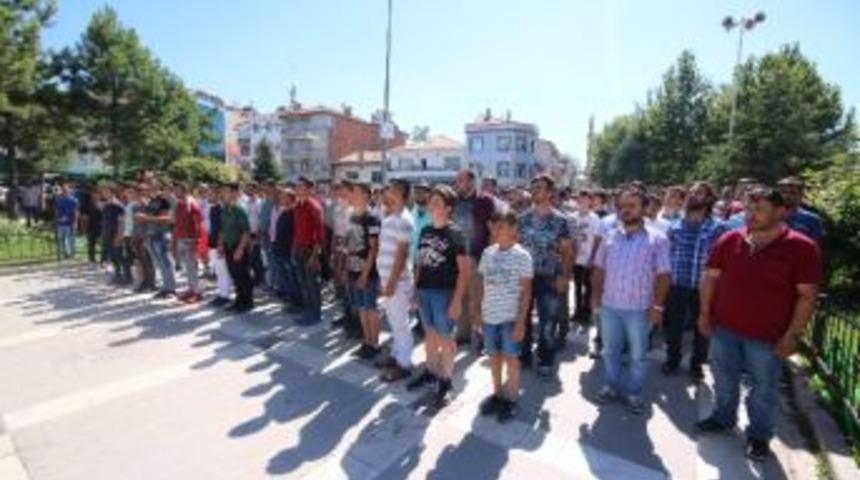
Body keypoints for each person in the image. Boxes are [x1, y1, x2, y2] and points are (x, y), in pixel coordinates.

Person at [695, 187, 822, 462]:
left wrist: (793, 335)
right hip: (725, 328)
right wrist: (704, 314)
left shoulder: (801, 247)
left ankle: (759, 435)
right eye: (748, 209)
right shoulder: (729, 239)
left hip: (767, 335)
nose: (751, 215)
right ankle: (722, 418)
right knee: (724, 379)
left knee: (763, 389)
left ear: (781, 211)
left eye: (759, 209)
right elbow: (710, 279)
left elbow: (807, 296)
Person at [591, 189, 671, 414]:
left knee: (638, 356)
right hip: (610, 307)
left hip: (640, 310)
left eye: (633, 205)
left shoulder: (658, 239)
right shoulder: (610, 236)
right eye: (623, 206)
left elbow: (664, 275)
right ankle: (611, 386)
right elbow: (598, 270)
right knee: (609, 351)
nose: (626, 210)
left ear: (644, 208)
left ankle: (634, 393)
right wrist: (595, 300)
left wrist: (657, 306)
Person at [409, 184, 470, 408]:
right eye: (431, 201)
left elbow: (464, 271)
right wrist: (415, 290)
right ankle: (430, 372)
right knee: (430, 335)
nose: (432, 205)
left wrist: (456, 301)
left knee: (446, 339)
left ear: (448, 208)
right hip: (425, 291)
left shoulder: (456, 233)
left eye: (437, 202)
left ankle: (445, 381)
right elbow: (420, 263)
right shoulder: (425, 230)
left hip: (445, 293)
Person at [663, 182, 728, 382]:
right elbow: (667, 256)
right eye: (691, 192)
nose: (692, 195)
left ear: (709, 199)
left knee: (703, 327)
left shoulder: (719, 228)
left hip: (704, 288)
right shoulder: (674, 225)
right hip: (677, 285)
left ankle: (697, 364)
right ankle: (672, 359)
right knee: (673, 326)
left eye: (698, 193)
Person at [476, 211, 533, 423]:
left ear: (513, 229)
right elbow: (482, 284)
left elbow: (527, 293)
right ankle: (497, 393)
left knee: (511, 359)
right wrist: (478, 313)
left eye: (500, 226)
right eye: (494, 226)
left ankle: (511, 398)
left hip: (510, 319)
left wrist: (521, 323)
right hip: (490, 316)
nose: (495, 230)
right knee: (494, 357)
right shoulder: (488, 253)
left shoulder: (522, 256)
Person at [518, 175, 573, 377]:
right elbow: (516, 246)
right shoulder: (522, 218)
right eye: (533, 187)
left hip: (549, 276)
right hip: (524, 276)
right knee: (522, 316)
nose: (534, 191)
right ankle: (523, 355)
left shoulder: (561, 220)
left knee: (547, 321)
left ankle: (545, 358)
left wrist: (564, 277)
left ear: (550, 192)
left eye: (539, 188)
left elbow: (567, 252)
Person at [376, 179, 417, 382]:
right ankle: (396, 355)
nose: (386, 191)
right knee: (393, 321)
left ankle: (405, 364)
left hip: (398, 281)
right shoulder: (392, 215)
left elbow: (402, 254)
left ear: (399, 192)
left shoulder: (404, 218)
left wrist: (392, 281)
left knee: (401, 323)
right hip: (388, 279)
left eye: (390, 189)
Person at [452, 169, 497, 346]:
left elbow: (492, 229)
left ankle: (481, 336)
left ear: (471, 181)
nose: (457, 183)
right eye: (457, 180)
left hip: (478, 256)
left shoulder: (484, 201)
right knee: (461, 295)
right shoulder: (455, 200)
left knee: (477, 298)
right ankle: (463, 333)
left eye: (460, 180)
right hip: (458, 258)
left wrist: (490, 257)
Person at [345, 183, 383, 360]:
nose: (352, 195)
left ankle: (374, 343)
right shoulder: (351, 216)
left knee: (370, 308)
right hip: (353, 269)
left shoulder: (372, 218)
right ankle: (366, 341)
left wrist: (365, 274)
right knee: (361, 307)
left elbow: (374, 249)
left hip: (367, 271)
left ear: (367, 197)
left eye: (356, 192)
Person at [292, 176, 325, 325]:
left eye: (301, 187)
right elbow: (297, 230)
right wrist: (294, 247)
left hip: (310, 251)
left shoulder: (314, 207)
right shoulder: (298, 206)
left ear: (309, 189)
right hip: (299, 248)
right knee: (303, 283)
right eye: (297, 187)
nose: (297, 190)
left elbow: (319, 234)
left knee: (312, 284)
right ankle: (308, 311)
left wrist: (315, 255)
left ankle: (315, 314)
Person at [219, 183, 254, 313]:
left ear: (234, 193)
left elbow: (246, 232)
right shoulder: (225, 209)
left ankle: (247, 302)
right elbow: (223, 229)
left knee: (243, 275)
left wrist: (240, 249)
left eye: (226, 192)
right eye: (223, 192)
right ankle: (239, 300)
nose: (223, 194)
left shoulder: (240, 209)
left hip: (239, 246)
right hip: (228, 246)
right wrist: (220, 245)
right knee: (235, 274)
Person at [570, 190, 602, 324]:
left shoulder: (594, 218)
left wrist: (593, 257)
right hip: (575, 258)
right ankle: (577, 311)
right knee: (576, 286)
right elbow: (571, 238)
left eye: (585, 200)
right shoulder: (572, 217)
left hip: (588, 257)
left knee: (588, 286)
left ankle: (586, 312)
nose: (582, 202)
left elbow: (596, 239)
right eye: (580, 200)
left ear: (590, 201)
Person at [140, 183, 176, 299]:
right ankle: (165, 287)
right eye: (150, 188)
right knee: (160, 263)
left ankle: (171, 289)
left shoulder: (164, 201)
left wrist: (147, 218)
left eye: (154, 188)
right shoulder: (151, 201)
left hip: (161, 234)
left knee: (166, 263)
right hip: (151, 235)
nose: (151, 190)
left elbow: (168, 219)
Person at [173, 183, 203, 303]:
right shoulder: (179, 204)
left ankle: (197, 292)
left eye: (178, 190)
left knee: (192, 267)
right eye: (175, 190)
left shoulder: (192, 203)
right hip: (181, 238)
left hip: (190, 239)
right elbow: (176, 223)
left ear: (184, 191)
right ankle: (191, 289)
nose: (175, 192)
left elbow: (197, 223)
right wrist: (175, 240)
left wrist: (196, 241)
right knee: (187, 267)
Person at [777, 177, 824, 242]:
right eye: (783, 192)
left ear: (801, 195)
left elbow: (816, 246)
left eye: (792, 193)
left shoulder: (812, 219)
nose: (786, 196)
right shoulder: (770, 217)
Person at [208, 185, 233, 307]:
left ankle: (225, 295)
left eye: (211, 193)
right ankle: (221, 292)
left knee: (223, 270)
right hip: (213, 242)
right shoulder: (214, 208)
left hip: (220, 243)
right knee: (218, 270)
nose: (209, 195)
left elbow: (222, 229)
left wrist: (220, 245)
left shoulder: (220, 209)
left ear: (218, 195)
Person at [100, 185, 125, 284]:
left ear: (112, 193)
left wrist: (119, 235)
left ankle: (120, 275)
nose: (104, 193)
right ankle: (114, 275)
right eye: (103, 191)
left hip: (114, 233)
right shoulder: (106, 205)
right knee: (110, 256)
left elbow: (121, 222)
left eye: (106, 191)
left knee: (117, 255)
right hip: (107, 233)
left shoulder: (117, 205)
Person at [55, 183, 79, 260]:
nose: (64, 191)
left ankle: (71, 254)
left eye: (66, 189)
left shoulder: (74, 200)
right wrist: (57, 218)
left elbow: (76, 212)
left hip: (69, 223)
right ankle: (61, 255)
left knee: (70, 239)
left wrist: (75, 222)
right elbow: (56, 210)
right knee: (60, 239)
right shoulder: (58, 199)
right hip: (60, 223)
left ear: (69, 190)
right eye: (63, 189)